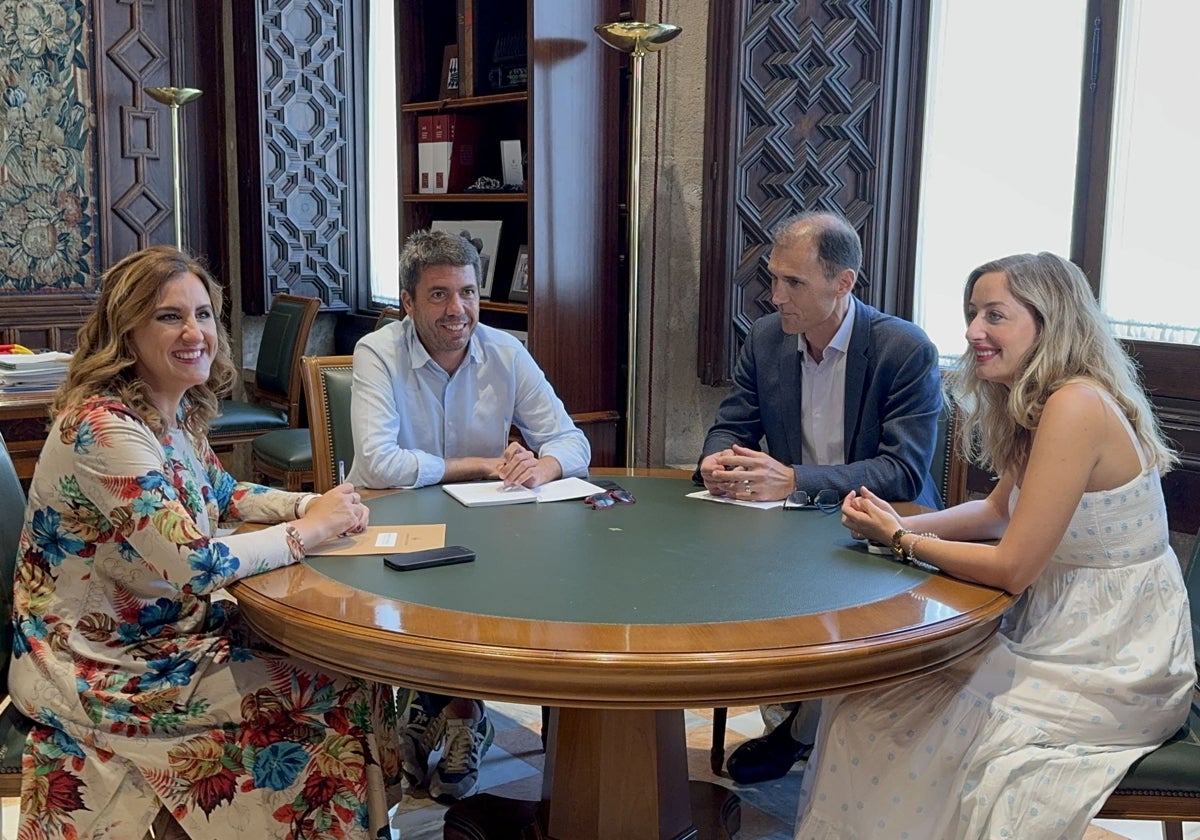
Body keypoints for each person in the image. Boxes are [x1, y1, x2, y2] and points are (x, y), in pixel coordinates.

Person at [8, 246, 402, 840]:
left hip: (162, 635)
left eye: (204, 314)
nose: (195, 332)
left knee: (352, 660)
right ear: (128, 332)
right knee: (335, 682)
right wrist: (311, 530)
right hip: (98, 665)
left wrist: (312, 504)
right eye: (170, 317)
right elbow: (198, 562)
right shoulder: (103, 428)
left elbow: (221, 494)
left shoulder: (171, 415)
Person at [796, 252, 1194, 839]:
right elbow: (991, 512)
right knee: (866, 700)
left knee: (885, 717)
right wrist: (895, 521)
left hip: (1119, 660)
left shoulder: (1075, 405)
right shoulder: (1043, 402)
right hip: (1065, 637)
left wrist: (903, 539)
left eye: (994, 315)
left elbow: (1011, 567)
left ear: (1049, 321)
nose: (973, 331)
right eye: (971, 313)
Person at [697, 211, 943, 783]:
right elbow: (732, 423)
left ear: (844, 283)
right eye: (773, 277)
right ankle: (800, 716)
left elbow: (903, 472)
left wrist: (796, 480)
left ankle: (803, 728)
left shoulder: (902, 349)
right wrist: (717, 457)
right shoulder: (765, 339)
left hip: (881, 527)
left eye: (794, 283)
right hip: (789, 525)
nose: (775, 295)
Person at [348, 228, 590, 801]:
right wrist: (483, 462)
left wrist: (545, 467)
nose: (457, 310)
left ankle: (457, 713)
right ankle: (437, 710)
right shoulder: (376, 351)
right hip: (384, 521)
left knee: (503, 582)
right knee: (431, 592)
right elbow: (380, 464)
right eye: (438, 295)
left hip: (481, 525)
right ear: (407, 303)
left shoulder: (505, 350)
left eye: (467, 292)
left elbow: (570, 439)